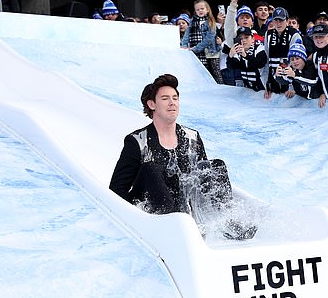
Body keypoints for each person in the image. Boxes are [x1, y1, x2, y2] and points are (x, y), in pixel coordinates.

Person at [109, 74, 256, 240]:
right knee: (150, 168)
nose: (172, 102)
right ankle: (175, 224)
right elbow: (116, 191)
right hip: (154, 209)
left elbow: (202, 180)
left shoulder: (192, 137)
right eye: (165, 98)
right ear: (152, 104)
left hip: (184, 206)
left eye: (175, 98)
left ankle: (226, 221)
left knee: (215, 165)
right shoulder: (136, 141)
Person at [263, 6, 302, 99]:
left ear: (287, 21)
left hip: (290, 85)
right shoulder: (268, 34)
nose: (278, 23)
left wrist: (293, 87)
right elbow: (267, 61)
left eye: (281, 20)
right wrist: (267, 85)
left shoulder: (294, 34)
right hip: (274, 82)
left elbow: (298, 63)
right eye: (276, 20)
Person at [181, 0, 221, 81]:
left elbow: (209, 38)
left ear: (207, 9)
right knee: (201, 73)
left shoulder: (211, 22)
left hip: (211, 51)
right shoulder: (192, 22)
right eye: (198, 9)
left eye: (202, 8)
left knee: (215, 74)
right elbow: (186, 35)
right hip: (197, 52)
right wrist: (184, 46)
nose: (200, 11)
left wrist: (196, 48)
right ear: (195, 11)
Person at [226, 26, 267, 92]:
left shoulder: (260, 49)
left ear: (253, 38)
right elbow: (231, 67)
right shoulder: (238, 51)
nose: (244, 40)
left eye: (246, 37)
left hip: (263, 88)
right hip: (248, 90)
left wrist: (245, 55)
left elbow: (259, 64)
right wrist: (230, 55)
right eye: (241, 38)